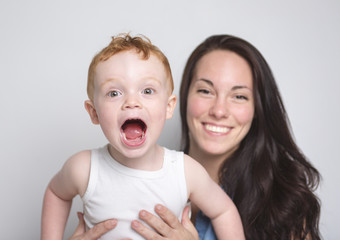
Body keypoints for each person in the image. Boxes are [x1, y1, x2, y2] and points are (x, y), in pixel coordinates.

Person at [69, 34, 321, 240]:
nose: (219, 111)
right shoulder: (126, 176)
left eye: (239, 96)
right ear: (182, 99)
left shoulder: (285, 205)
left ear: (257, 110)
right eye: (205, 90)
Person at [41, 33, 245, 240]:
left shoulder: (185, 171)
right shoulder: (83, 168)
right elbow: (56, 193)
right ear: (94, 112)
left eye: (147, 90)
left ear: (168, 106)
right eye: (114, 93)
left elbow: (224, 210)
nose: (132, 102)